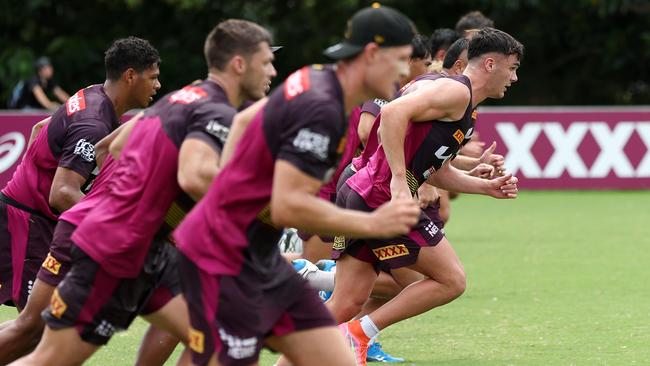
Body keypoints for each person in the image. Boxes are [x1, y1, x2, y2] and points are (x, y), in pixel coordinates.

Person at [9, 19, 276, 366]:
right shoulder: (213, 113)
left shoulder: (186, 97)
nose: (272, 71)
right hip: (107, 235)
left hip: (126, 238)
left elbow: (110, 146)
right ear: (239, 65)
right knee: (37, 339)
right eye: (266, 62)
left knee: (220, 334)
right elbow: (195, 177)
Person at [173, 4, 419, 366]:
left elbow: (242, 123)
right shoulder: (323, 109)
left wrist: (233, 190)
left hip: (247, 252)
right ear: (371, 54)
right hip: (225, 256)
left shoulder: (314, 76)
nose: (405, 73)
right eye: (401, 60)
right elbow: (289, 206)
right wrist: (374, 224)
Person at [328, 28, 524, 365]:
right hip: (379, 197)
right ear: (490, 64)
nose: (515, 77)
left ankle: (271, 340)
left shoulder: (462, 104)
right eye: (513, 67)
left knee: (345, 302)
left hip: (360, 192)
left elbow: (433, 168)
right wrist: (400, 184)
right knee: (451, 280)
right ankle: (359, 333)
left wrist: (484, 187)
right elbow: (391, 114)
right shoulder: (455, 92)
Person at [0, 36, 160, 315]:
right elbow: (62, 193)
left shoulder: (92, 95)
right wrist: (114, 232)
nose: (158, 85)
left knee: (43, 328)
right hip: (27, 223)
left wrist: (28, 181)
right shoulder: (93, 123)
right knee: (37, 328)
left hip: (30, 217)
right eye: (154, 77)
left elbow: (39, 128)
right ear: (131, 76)